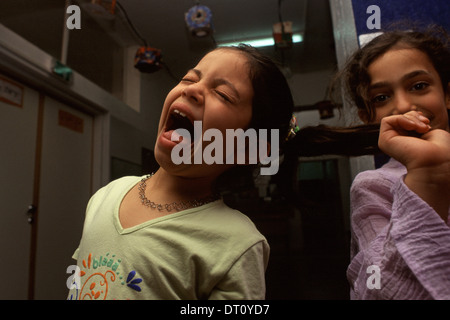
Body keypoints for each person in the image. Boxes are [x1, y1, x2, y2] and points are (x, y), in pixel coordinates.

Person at [67, 44, 294, 300]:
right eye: (188, 78)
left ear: (248, 149)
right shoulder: (106, 195)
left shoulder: (237, 243)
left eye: (222, 94)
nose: (192, 89)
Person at [338, 27, 450, 299]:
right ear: (368, 117)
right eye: (382, 97)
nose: (403, 105)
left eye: (419, 86)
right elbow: (375, 289)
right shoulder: (373, 187)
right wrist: (428, 174)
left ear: (447, 95)